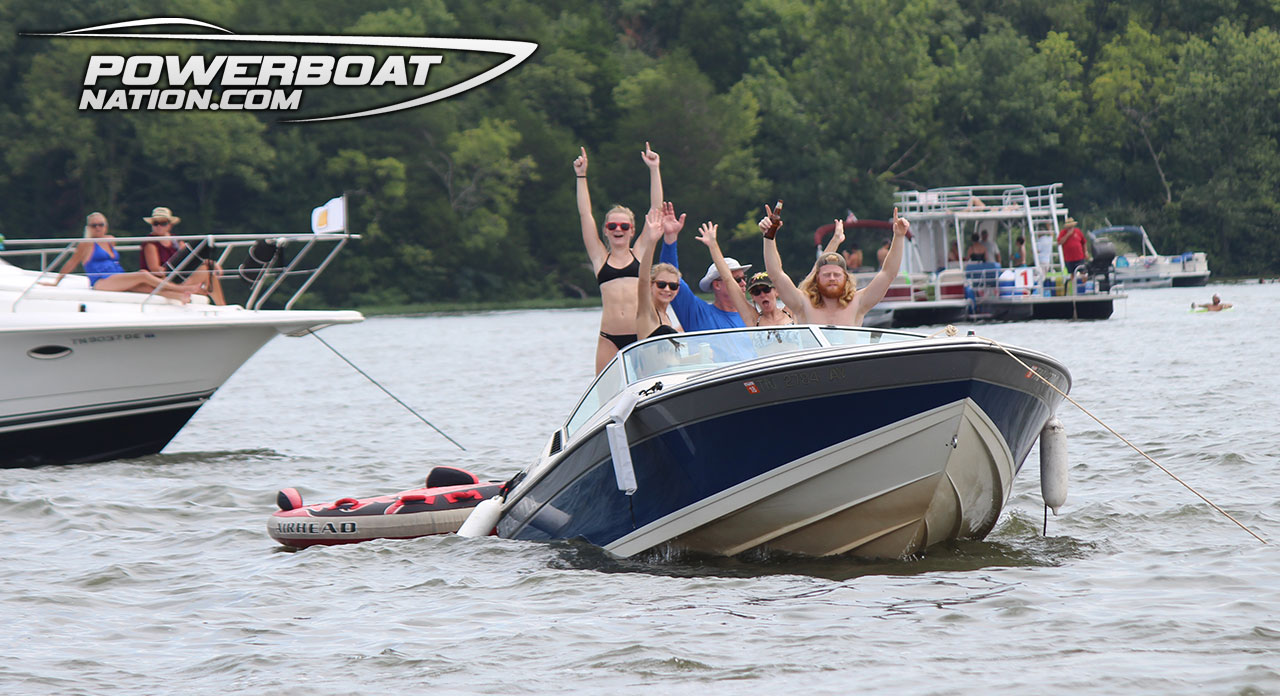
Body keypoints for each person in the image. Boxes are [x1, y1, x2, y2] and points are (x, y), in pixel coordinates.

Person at [577, 142, 663, 373]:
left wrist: (654, 169)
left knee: (649, 387)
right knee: (605, 390)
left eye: (624, 226)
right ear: (605, 230)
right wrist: (581, 176)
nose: (618, 229)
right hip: (609, 338)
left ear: (632, 231)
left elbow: (656, 209)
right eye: (612, 225)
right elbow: (585, 214)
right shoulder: (599, 258)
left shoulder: (641, 252)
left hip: (641, 334)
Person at [762, 207, 909, 326]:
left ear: (846, 278)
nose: (832, 278)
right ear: (816, 278)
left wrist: (899, 236)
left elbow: (888, 274)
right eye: (826, 275)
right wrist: (769, 236)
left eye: (837, 275)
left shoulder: (859, 302)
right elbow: (776, 275)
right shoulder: (802, 303)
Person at [45, 212, 193, 302]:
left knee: (145, 287)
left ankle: (179, 296)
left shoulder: (110, 240)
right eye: (94, 225)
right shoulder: (86, 244)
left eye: (101, 224)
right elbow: (72, 263)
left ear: (106, 226)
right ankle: (181, 289)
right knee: (143, 274)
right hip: (102, 281)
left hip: (117, 275)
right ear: (88, 227)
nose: (98, 228)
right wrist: (56, 282)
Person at [657, 203, 751, 332]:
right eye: (737, 279)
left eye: (744, 278)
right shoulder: (697, 313)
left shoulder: (753, 316)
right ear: (717, 285)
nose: (744, 283)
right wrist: (670, 237)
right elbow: (668, 274)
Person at [692, 220, 795, 328]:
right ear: (753, 297)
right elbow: (728, 279)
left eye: (766, 290)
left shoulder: (793, 311)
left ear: (776, 291)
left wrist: (770, 236)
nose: (762, 295)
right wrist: (713, 245)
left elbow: (777, 272)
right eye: (756, 292)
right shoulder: (753, 319)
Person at [140, 206, 225, 305]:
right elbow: (155, 269)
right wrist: (171, 272)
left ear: (170, 225)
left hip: (177, 275)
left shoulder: (176, 240)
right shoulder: (150, 243)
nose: (159, 226)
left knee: (206, 269)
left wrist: (212, 264)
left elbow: (189, 256)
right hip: (162, 278)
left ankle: (221, 304)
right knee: (204, 271)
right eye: (155, 223)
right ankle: (194, 290)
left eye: (163, 223)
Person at [634, 206, 683, 340]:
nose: (667, 289)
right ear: (651, 285)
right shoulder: (647, 311)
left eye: (673, 286)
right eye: (661, 284)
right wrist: (652, 242)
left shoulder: (666, 316)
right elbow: (643, 279)